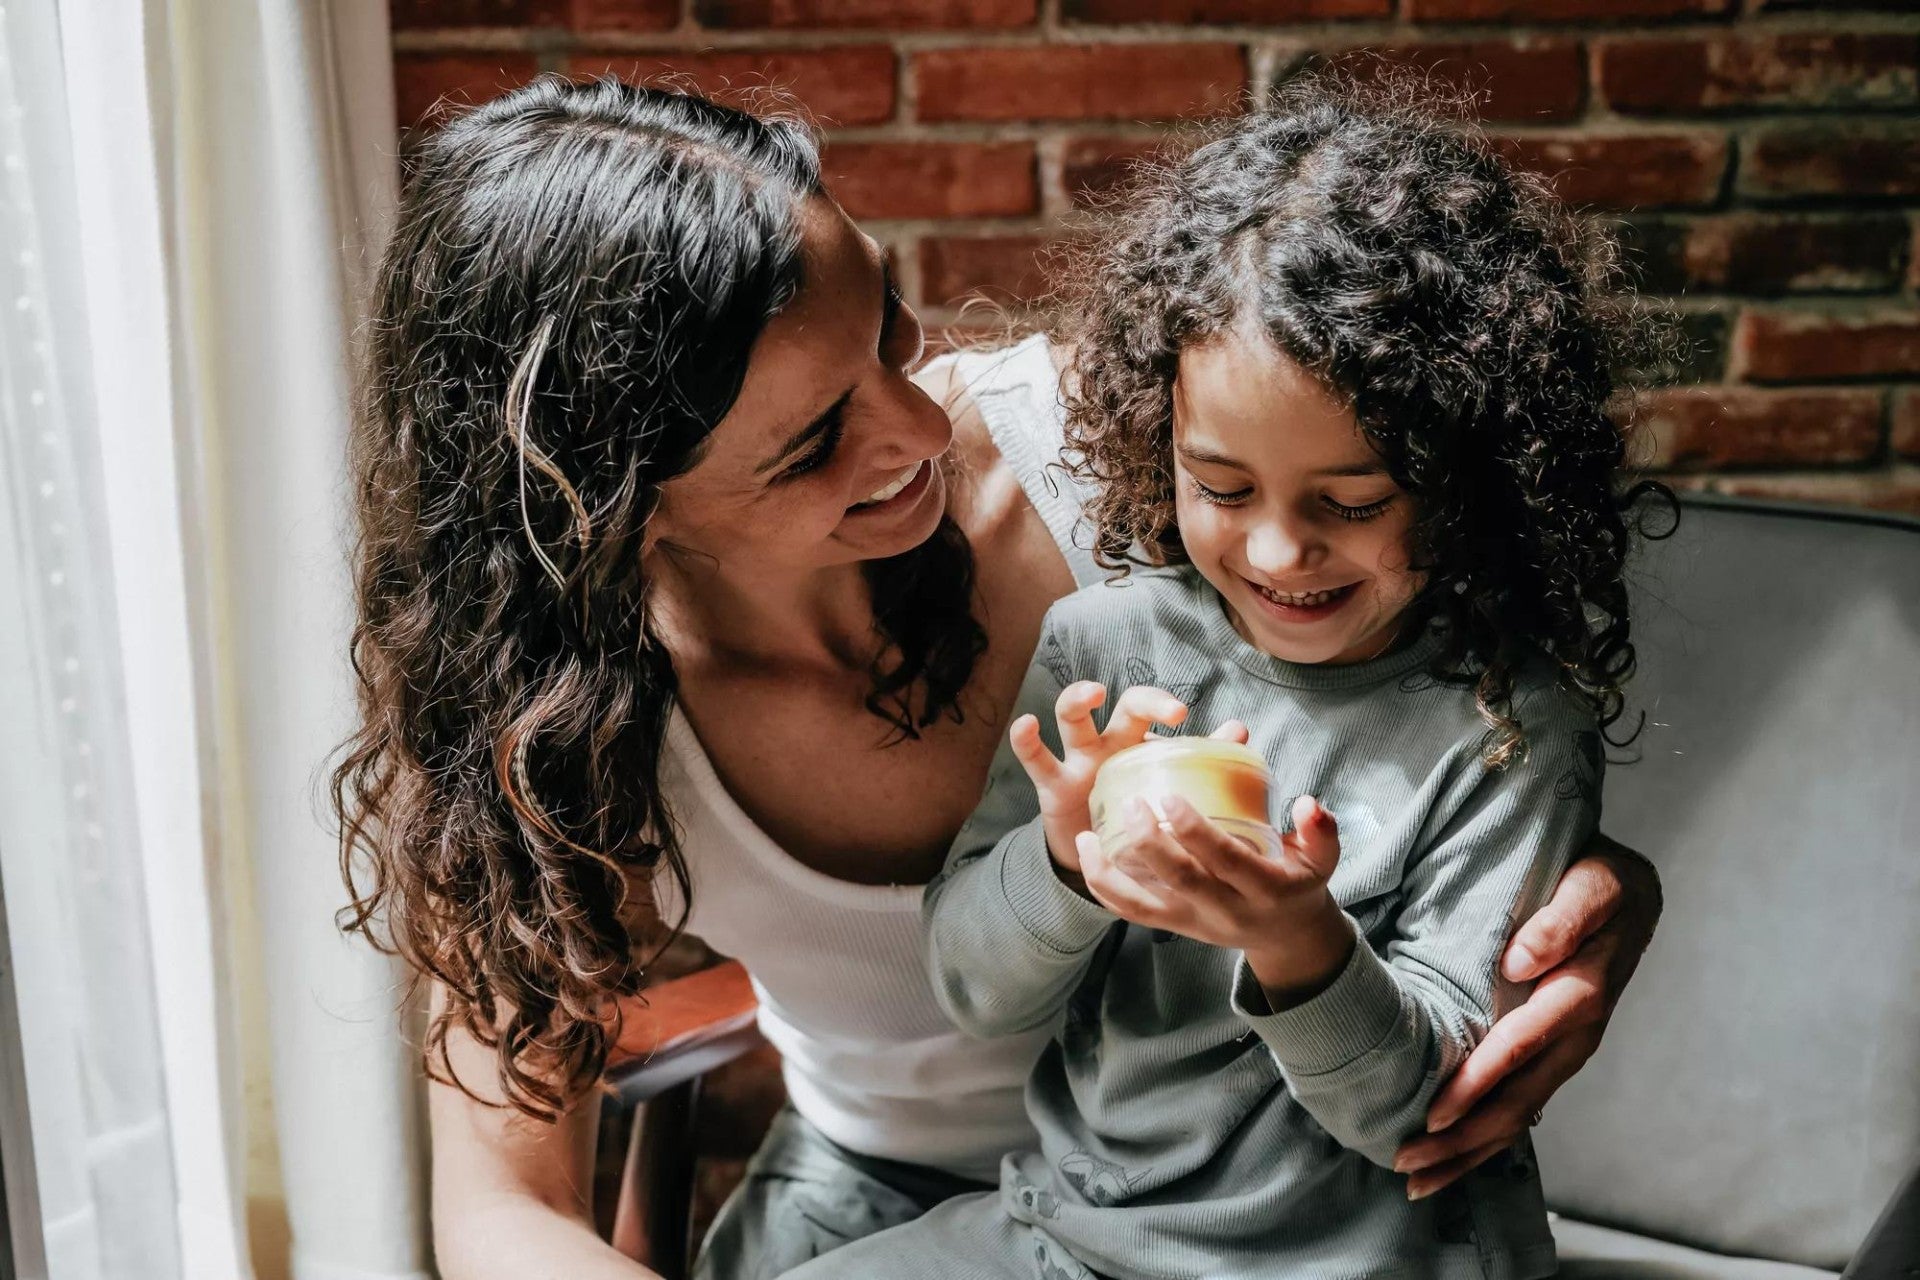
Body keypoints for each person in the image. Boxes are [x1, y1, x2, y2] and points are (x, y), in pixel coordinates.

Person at [332, 75, 1665, 1280]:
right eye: (811, 445)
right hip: (905, 1202)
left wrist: (1606, 892)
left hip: (1284, 1212)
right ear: (615, 509)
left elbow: (1474, 668)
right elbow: (503, 1214)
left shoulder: (1149, 457)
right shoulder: (548, 720)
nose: (919, 428)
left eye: (891, 337)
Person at [782, 79, 1676, 1280]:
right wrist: (1061, 860)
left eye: (1349, 502)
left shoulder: (1505, 722)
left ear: (1472, 474)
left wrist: (1297, 934)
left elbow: (1425, 1117)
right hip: (1078, 1234)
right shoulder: (1107, 650)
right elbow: (975, 990)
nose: (1275, 551)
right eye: (1223, 486)